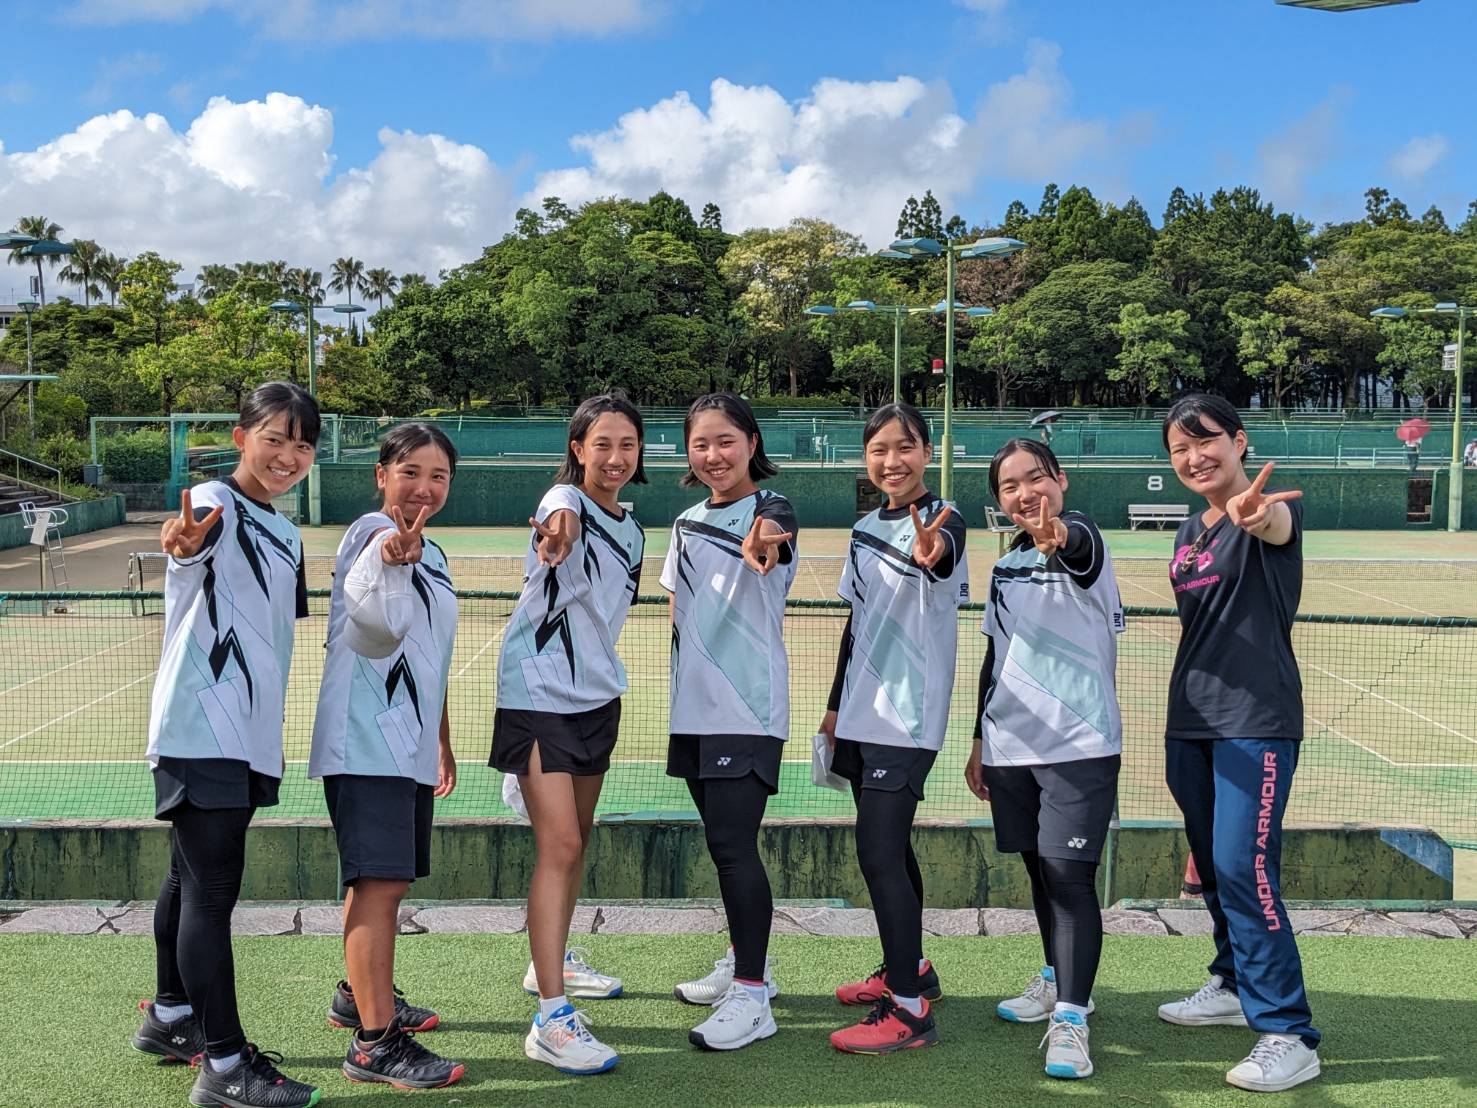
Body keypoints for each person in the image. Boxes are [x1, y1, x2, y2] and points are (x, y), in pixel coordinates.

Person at [132, 381, 322, 1108]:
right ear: (242, 436)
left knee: (187, 881)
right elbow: (187, 547)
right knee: (212, 894)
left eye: (301, 444)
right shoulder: (215, 499)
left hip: (244, 732)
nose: (288, 455)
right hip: (202, 726)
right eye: (275, 437)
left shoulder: (284, 529)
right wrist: (180, 550)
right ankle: (224, 1065)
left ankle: (171, 1015)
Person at [1156, 393, 1320, 1094]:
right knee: (1217, 870)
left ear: (1239, 441)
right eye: (1178, 449)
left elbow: (1273, 522)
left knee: (1244, 869)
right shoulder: (1188, 530)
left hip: (1254, 720)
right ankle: (1228, 982)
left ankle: (1287, 1032)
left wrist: (1257, 513)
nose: (1194, 456)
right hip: (1189, 724)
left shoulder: (1268, 514)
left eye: (1206, 440)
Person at [490, 393, 646, 1076]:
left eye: (627, 446)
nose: (614, 458)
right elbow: (559, 519)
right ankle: (551, 1018)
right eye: (601, 444)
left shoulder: (636, 531)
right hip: (537, 694)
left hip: (594, 697)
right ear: (577, 449)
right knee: (559, 844)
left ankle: (547, 963)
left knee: (575, 844)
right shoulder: (567, 502)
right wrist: (554, 531)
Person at [310, 422, 464, 1090]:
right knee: (379, 884)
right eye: (409, 473)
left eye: (437, 476)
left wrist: (441, 738)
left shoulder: (435, 554)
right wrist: (391, 553)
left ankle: (358, 996)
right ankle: (375, 1045)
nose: (423, 488)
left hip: (406, 740)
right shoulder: (372, 533)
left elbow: (428, 655)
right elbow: (376, 620)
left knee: (381, 884)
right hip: (367, 740)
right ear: (381, 475)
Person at [966, 438, 1124, 1081]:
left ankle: (1072, 1017)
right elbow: (994, 656)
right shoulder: (1006, 566)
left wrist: (1056, 531)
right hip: (1010, 746)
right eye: (1010, 487)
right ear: (999, 500)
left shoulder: (1082, 538)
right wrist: (980, 739)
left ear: (1059, 480)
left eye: (1035, 479)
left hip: (1078, 745)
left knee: (1068, 876)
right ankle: (1057, 978)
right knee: (1038, 871)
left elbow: (1074, 542)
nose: (1025, 494)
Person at [819, 402, 968, 1055]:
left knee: (877, 852)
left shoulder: (942, 519)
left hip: (908, 716)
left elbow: (941, 555)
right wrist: (832, 705)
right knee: (893, 850)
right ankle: (910, 971)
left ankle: (908, 1013)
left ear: (926, 452)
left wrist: (932, 551)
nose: (891, 461)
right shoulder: (860, 529)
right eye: (878, 450)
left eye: (903, 448)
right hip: (859, 713)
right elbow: (858, 625)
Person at [664, 393, 796, 1051]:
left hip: (746, 709)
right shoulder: (685, 521)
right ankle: (752, 963)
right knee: (721, 844)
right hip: (693, 710)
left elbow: (773, 531)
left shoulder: (770, 512)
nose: (713, 455)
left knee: (733, 846)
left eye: (726, 441)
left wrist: (767, 533)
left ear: (750, 441)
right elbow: (676, 610)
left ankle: (750, 997)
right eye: (700, 444)